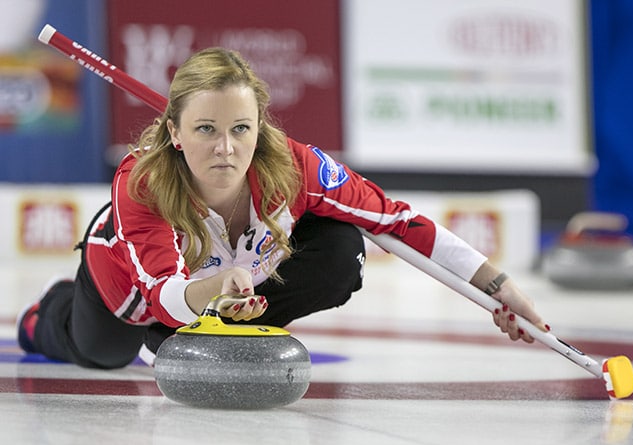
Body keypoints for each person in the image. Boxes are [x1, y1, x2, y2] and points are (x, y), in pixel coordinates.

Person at [17, 47, 548, 369]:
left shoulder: (297, 168)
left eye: (240, 129)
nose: (226, 149)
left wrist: (499, 286)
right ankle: (50, 312)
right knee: (102, 353)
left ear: (260, 127)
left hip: (219, 291)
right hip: (132, 290)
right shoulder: (144, 182)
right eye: (206, 130)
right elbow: (164, 296)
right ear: (174, 132)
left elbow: (398, 222)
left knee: (342, 248)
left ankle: (229, 326)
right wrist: (215, 291)